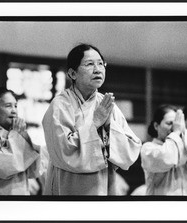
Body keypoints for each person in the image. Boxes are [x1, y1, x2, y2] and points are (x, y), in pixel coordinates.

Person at [42, 43, 142, 195]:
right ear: (72, 73)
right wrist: (95, 123)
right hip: (68, 186)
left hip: (102, 185)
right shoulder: (60, 105)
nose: (97, 69)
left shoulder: (107, 104)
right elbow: (63, 151)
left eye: (101, 64)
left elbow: (131, 147)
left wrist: (108, 126)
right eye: (89, 64)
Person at [141, 104, 187, 195]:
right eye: (169, 123)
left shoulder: (183, 145)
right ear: (156, 125)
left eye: (176, 124)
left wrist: (183, 130)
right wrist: (177, 132)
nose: (173, 128)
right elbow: (168, 157)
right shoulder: (148, 148)